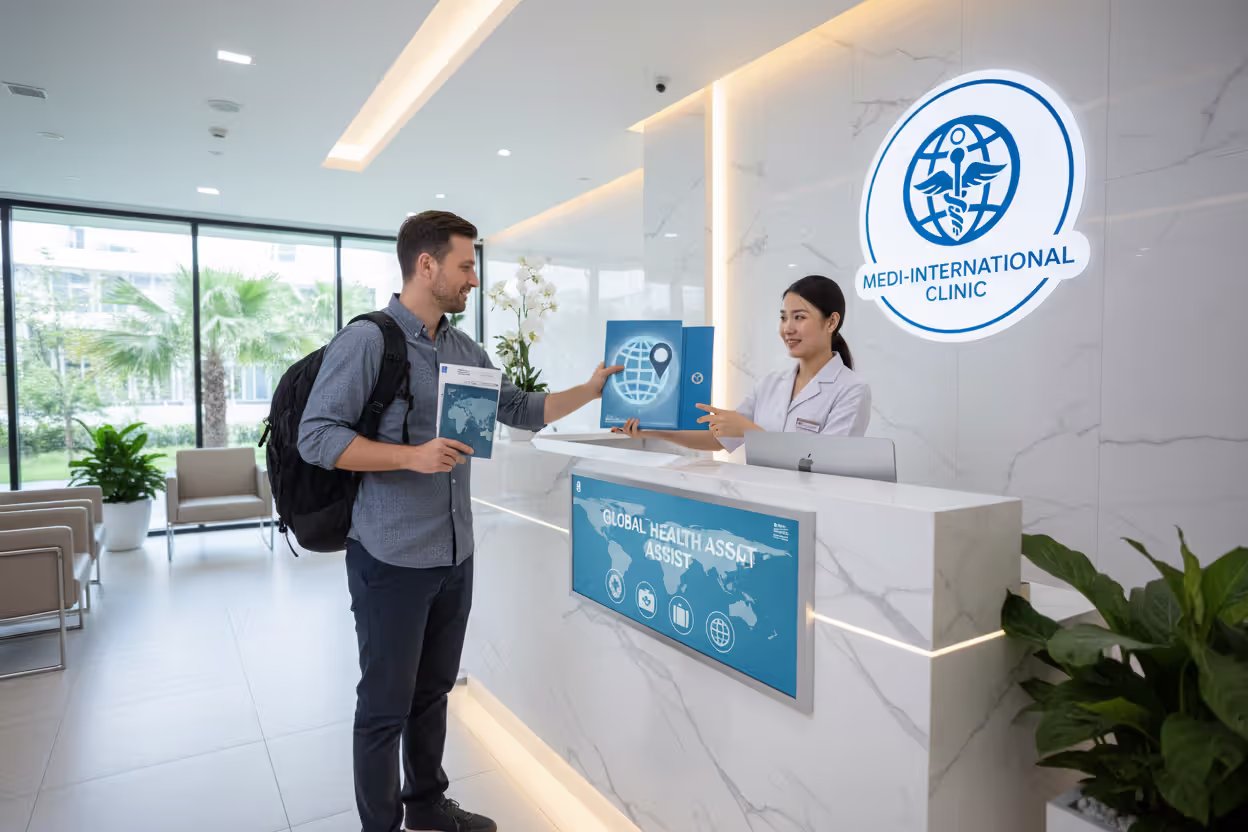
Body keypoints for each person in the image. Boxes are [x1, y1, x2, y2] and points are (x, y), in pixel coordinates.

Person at [299, 211, 621, 832]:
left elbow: (522, 411)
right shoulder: (369, 341)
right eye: (466, 264)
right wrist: (409, 457)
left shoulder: (463, 349)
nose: (474, 278)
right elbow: (318, 436)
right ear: (427, 265)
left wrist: (591, 388)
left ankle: (425, 806)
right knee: (384, 706)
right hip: (390, 556)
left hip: (453, 554)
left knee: (433, 692)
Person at [613, 274, 869, 450]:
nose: (787, 329)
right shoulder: (770, 384)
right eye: (783, 318)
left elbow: (827, 465)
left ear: (831, 322)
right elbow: (720, 440)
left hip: (816, 515)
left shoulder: (851, 389)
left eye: (799, 317)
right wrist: (653, 431)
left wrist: (750, 432)